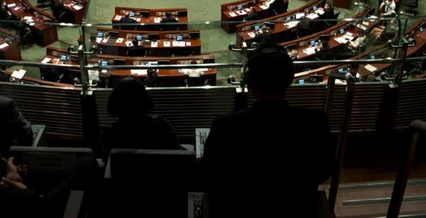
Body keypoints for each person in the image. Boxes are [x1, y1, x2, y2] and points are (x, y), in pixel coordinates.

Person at [202, 45, 332, 217]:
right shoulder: (316, 121)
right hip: (297, 208)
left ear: (249, 82)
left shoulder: (225, 125)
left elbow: (211, 176)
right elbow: (323, 172)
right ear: (291, 79)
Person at [102, 77, 180, 154]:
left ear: (114, 102)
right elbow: (178, 155)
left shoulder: (110, 134)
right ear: (145, 98)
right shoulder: (164, 127)